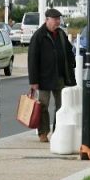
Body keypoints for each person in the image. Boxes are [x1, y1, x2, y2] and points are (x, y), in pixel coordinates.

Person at [28, 8, 76, 143]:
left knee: (62, 106)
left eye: (58, 19)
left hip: (60, 76)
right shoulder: (38, 36)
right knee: (43, 105)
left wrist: (71, 65)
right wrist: (33, 80)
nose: (57, 22)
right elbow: (32, 59)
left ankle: (58, 130)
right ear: (47, 20)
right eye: (55, 19)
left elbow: (68, 51)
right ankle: (43, 132)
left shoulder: (61, 34)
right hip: (43, 78)